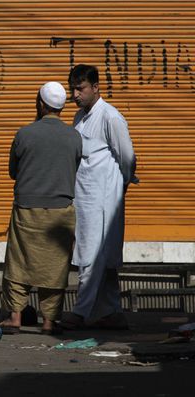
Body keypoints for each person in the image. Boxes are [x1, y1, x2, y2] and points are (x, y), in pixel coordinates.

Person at [0, 82, 82, 335]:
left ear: (41, 104)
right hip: (61, 211)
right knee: (55, 267)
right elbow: (74, 168)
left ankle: (15, 317)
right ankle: (48, 321)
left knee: (18, 263)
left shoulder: (24, 134)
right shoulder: (75, 136)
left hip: (27, 209)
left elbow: (13, 172)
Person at [61, 64, 137, 330]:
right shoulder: (79, 117)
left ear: (95, 87)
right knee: (98, 256)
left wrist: (121, 184)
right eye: (73, 89)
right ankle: (112, 312)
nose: (75, 94)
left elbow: (127, 157)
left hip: (103, 198)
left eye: (80, 89)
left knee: (91, 255)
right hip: (84, 196)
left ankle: (80, 312)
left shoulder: (111, 117)